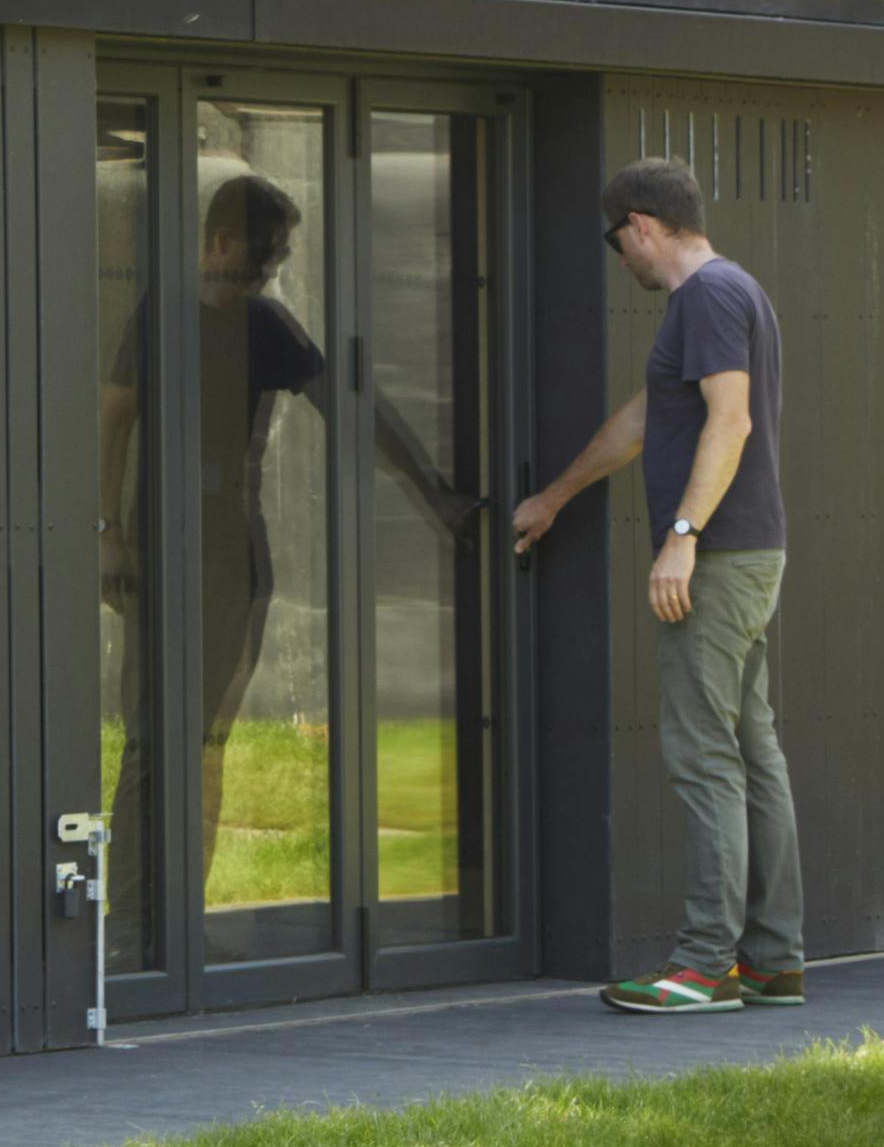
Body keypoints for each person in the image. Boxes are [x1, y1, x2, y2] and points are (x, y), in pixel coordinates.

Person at [101, 170, 467, 946]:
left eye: (277, 259)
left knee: (204, 737)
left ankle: (177, 923)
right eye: (262, 255)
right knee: (148, 735)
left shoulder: (265, 326)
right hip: (160, 546)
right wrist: (108, 532)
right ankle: (133, 919)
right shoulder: (163, 315)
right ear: (220, 241)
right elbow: (114, 419)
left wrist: (431, 491)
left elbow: (354, 406)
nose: (269, 270)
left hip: (232, 551)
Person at [509, 158, 799, 1014]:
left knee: (706, 757)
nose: (620, 259)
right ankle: (773, 960)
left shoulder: (707, 296)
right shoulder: (723, 295)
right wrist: (556, 497)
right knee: (751, 752)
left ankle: (705, 965)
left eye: (616, 242)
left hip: (715, 562)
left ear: (639, 226)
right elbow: (646, 418)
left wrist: (681, 536)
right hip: (747, 555)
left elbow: (731, 418)